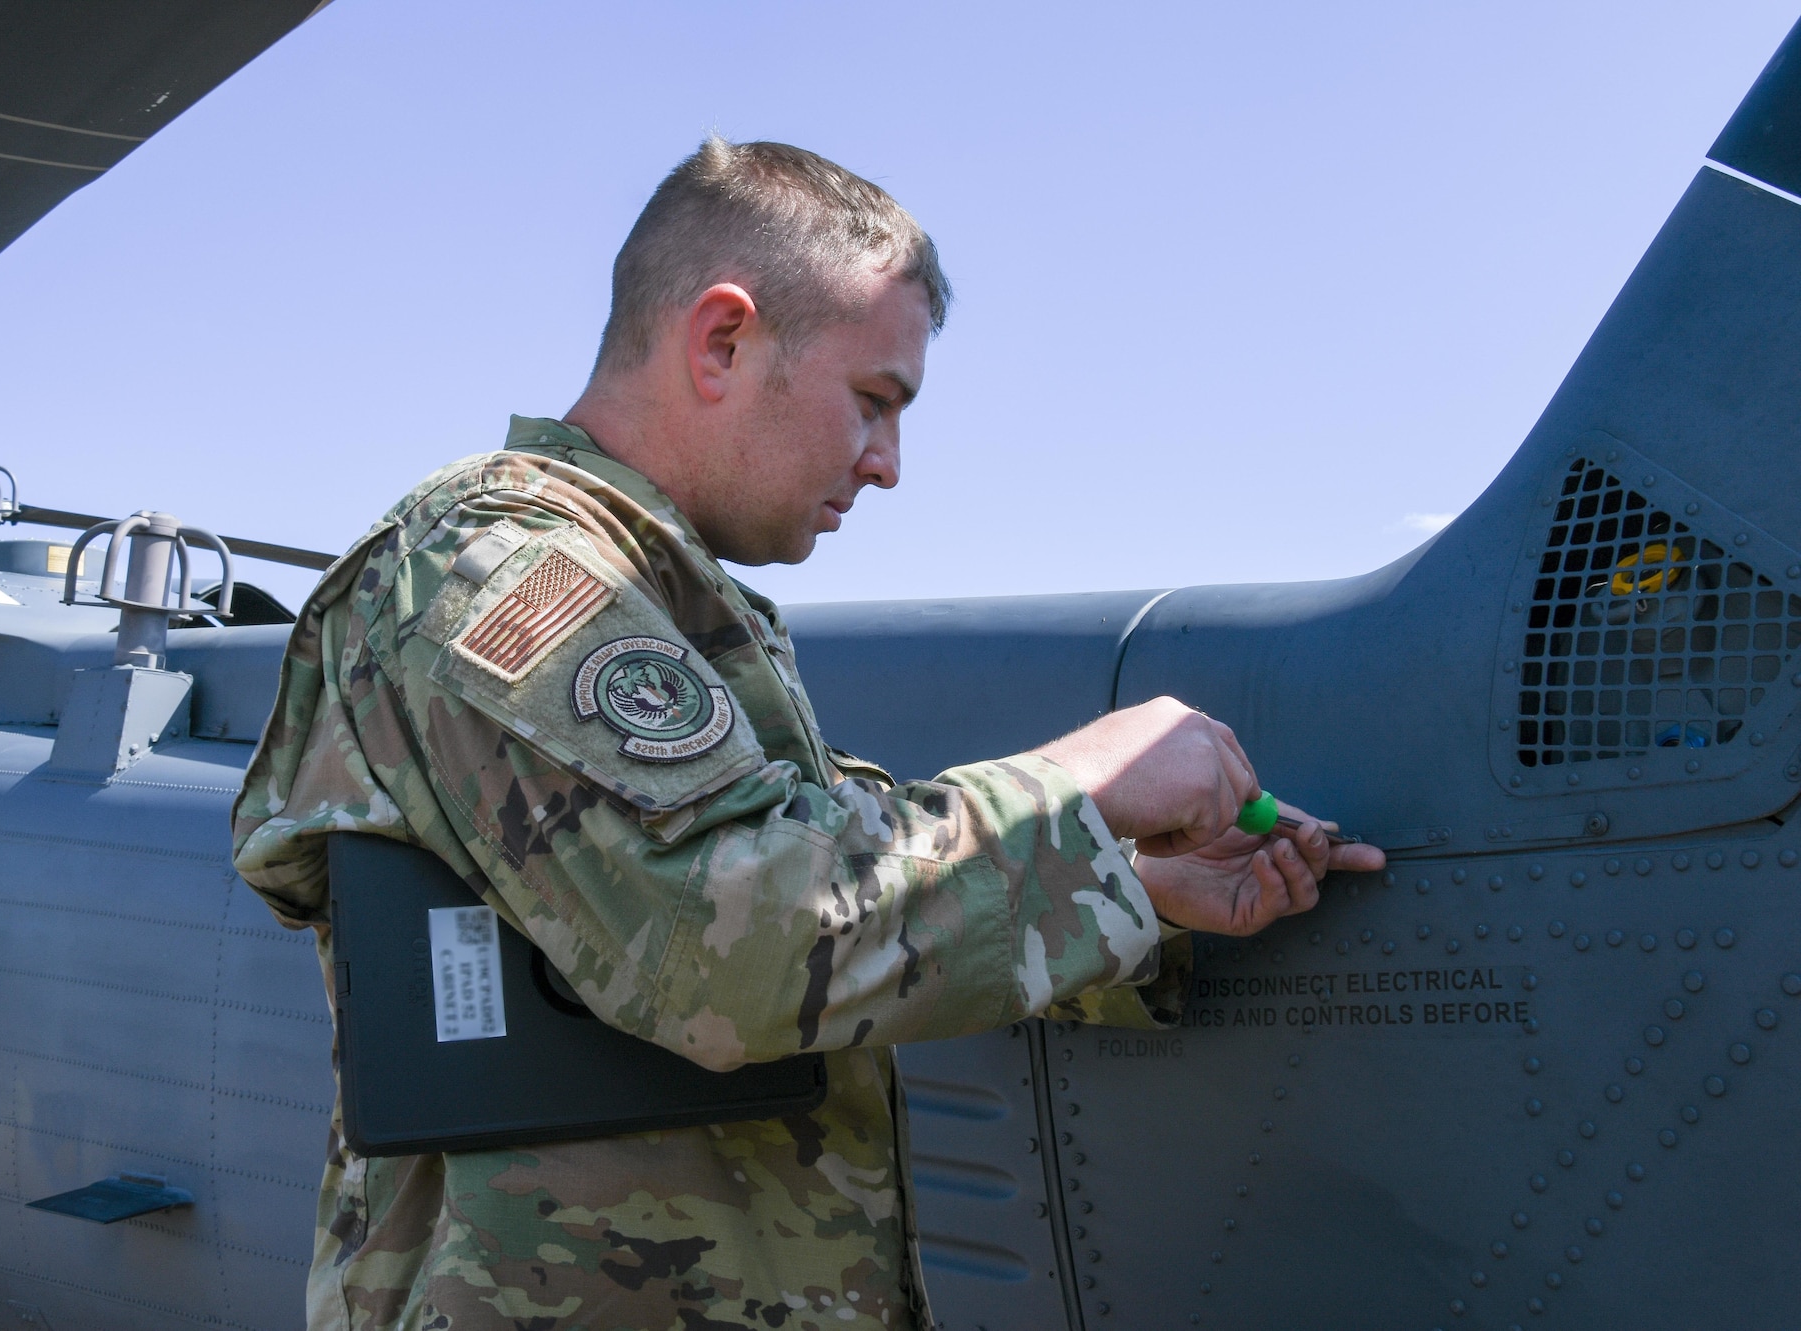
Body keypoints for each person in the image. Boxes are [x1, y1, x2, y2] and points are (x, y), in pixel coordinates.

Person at [233, 136, 1384, 1331]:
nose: (885, 464)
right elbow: (739, 943)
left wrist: (1130, 887)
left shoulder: (667, 598)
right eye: (873, 401)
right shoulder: (497, 568)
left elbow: (818, 895)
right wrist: (1076, 786)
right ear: (722, 339)